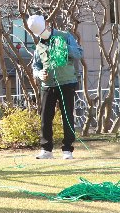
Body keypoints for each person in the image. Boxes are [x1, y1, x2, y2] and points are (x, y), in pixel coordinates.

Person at [27, 15, 83, 160]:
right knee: (45, 117)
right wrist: (40, 74)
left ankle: (67, 150)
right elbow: (36, 65)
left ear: (47, 24)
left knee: (67, 116)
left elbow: (79, 53)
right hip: (47, 85)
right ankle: (46, 150)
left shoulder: (65, 36)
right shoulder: (39, 45)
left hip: (67, 82)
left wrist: (65, 47)